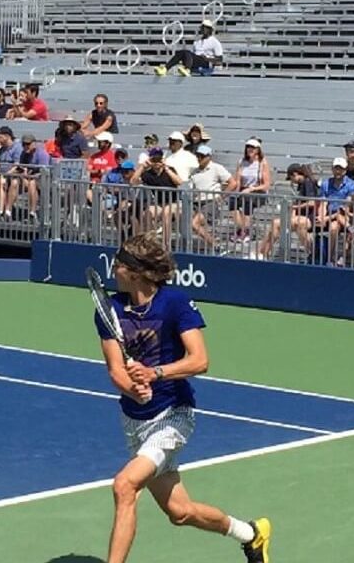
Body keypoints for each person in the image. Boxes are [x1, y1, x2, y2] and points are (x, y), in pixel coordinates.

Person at [96, 233, 271, 563]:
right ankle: (250, 534)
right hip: (134, 422)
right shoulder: (110, 310)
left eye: (119, 262)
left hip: (173, 416)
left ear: (135, 272)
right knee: (180, 512)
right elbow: (115, 370)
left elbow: (199, 360)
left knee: (124, 486)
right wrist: (132, 388)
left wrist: (155, 373)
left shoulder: (174, 303)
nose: (114, 267)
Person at [256, 163, 319, 260]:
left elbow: (311, 203)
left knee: (276, 224)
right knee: (275, 224)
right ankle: (262, 253)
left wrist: (294, 207)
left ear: (295, 174)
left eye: (291, 178)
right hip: (302, 216)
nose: (292, 181)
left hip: (310, 217)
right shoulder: (302, 185)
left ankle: (261, 253)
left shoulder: (308, 183)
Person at [226, 138, 271, 243]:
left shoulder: (262, 163)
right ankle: (243, 230)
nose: (250, 149)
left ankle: (245, 232)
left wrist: (252, 188)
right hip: (244, 189)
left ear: (258, 149)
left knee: (247, 201)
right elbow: (237, 180)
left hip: (258, 191)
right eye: (248, 147)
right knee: (233, 202)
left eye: (253, 147)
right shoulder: (242, 162)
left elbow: (266, 184)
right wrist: (235, 192)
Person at [189, 145, 231, 252]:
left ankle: (214, 244)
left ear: (209, 157)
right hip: (196, 202)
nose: (199, 158)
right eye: (198, 155)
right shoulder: (194, 172)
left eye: (202, 156)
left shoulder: (217, 168)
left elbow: (233, 182)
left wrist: (222, 196)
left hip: (210, 202)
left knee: (194, 224)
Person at [154, 20, 224, 77]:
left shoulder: (215, 42)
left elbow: (220, 60)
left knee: (185, 52)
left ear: (210, 29)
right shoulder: (197, 41)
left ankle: (187, 69)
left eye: (205, 27)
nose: (203, 29)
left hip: (206, 62)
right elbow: (192, 54)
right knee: (181, 53)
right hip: (195, 60)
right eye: (202, 27)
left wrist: (207, 58)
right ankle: (165, 69)